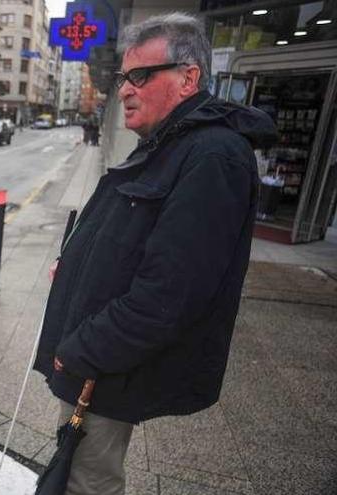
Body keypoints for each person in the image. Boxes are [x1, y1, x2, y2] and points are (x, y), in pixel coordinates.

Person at [34, 13, 276, 495]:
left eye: (140, 76)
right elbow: (134, 239)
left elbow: (171, 294)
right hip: (98, 356)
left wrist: (82, 349)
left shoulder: (212, 155)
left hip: (103, 363)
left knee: (86, 480)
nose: (125, 89)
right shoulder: (168, 143)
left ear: (189, 77)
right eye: (125, 77)